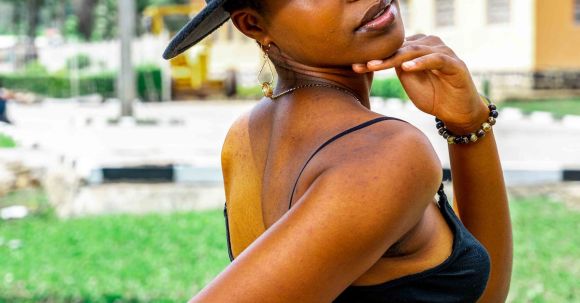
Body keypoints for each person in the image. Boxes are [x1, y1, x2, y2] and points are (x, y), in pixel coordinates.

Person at [163, 0, 513, 302]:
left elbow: (481, 293)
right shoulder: (384, 153)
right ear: (253, 24)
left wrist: (469, 125)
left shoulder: (243, 138)